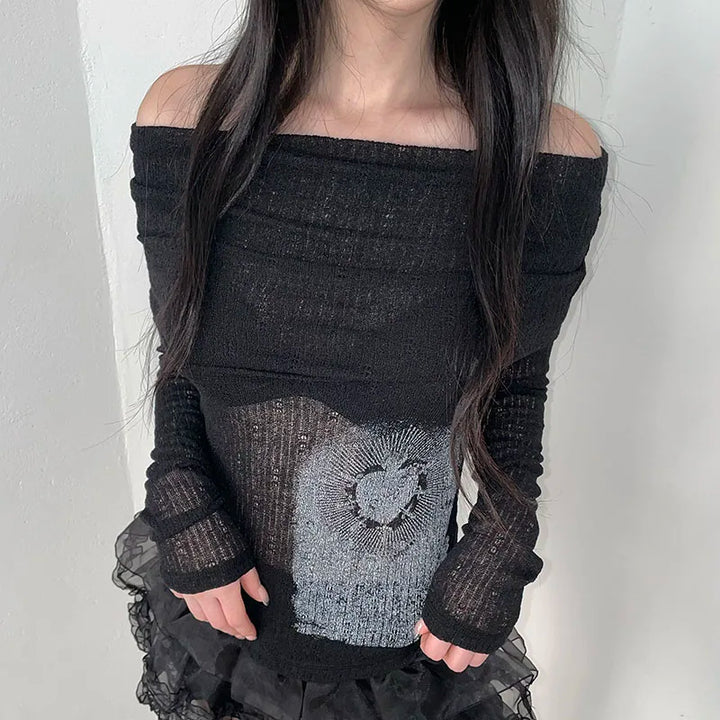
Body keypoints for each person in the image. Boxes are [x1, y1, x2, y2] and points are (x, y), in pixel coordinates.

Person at [112, 1, 609, 718]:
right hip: (222, 634)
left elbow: (515, 382)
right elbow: (182, 343)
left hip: (410, 653)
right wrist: (181, 493)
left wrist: (501, 539)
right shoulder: (187, 118)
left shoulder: (546, 154)